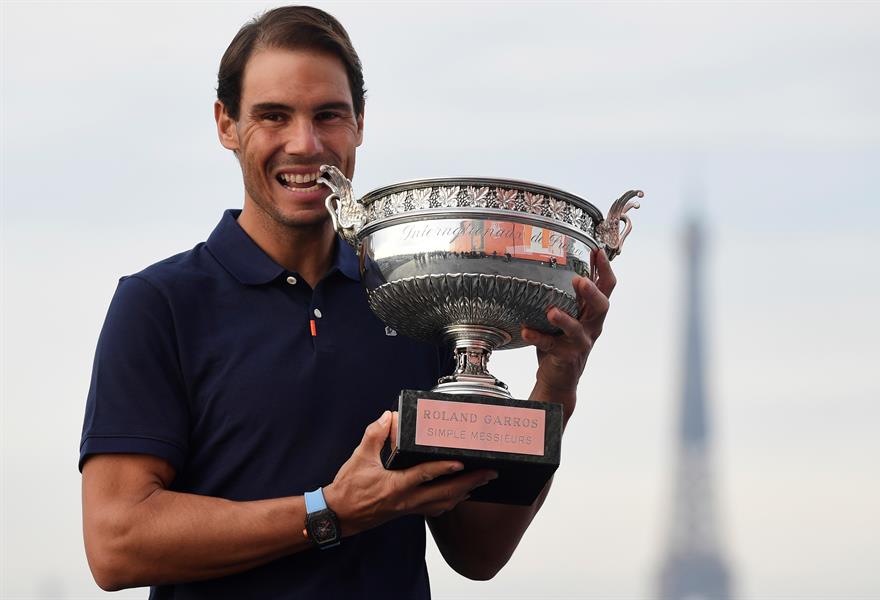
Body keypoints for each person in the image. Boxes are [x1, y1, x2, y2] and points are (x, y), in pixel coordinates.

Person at [79, 5, 616, 599]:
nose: (304, 144)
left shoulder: (415, 299)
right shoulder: (160, 304)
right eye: (273, 116)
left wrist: (558, 383)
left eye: (328, 115)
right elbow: (116, 543)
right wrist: (331, 511)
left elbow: (479, 549)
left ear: (360, 122)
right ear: (225, 124)